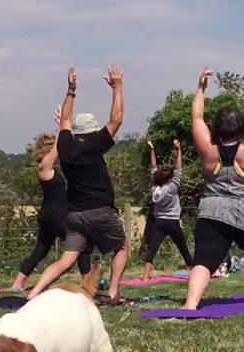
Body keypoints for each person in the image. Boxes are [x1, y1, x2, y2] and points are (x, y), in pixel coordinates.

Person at [27, 65, 127, 302]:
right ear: (92, 132)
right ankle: (112, 293)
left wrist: (71, 90)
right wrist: (118, 87)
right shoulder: (95, 145)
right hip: (101, 211)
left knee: (65, 260)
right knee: (121, 247)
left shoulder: (65, 146)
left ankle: (33, 294)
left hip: (75, 216)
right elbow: (117, 119)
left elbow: (66, 120)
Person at [183, 65, 244, 309]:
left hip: (212, 211)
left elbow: (196, 118)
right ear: (242, 128)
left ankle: (191, 303)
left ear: (216, 128)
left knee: (203, 260)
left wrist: (201, 89)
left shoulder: (208, 148)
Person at [11, 113, 92, 291]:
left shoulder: (49, 168)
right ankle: (88, 284)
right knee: (81, 245)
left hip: (49, 215)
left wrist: (62, 126)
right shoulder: (44, 166)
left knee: (40, 251)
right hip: (57, 215)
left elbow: (61, 148)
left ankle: (17, 284)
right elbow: (58, 148)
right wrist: (63, 126)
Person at [143, 139, 193, 281]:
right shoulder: (172, 188)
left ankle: (146, 277)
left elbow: (153, 167)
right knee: (184, 249)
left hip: (160, 223)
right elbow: (178, 170)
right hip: (173, 223)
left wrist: (152, 149)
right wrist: (178, 150)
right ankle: (194, 273)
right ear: (169, 179)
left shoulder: (155, 187)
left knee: (152, 250)